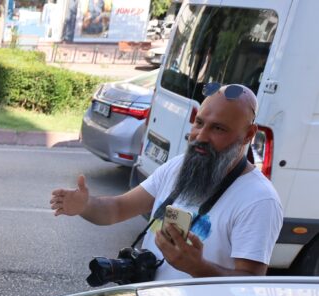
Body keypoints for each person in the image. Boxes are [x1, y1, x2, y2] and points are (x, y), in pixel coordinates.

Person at [51, 83, 283, 280]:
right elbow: (116, 209)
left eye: (218, 128)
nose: (201, 136)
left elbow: (249, 283)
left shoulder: (259, 199)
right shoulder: (178, 166)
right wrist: (86, 205)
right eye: (199, 123)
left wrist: (198, 268)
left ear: (249, 134)